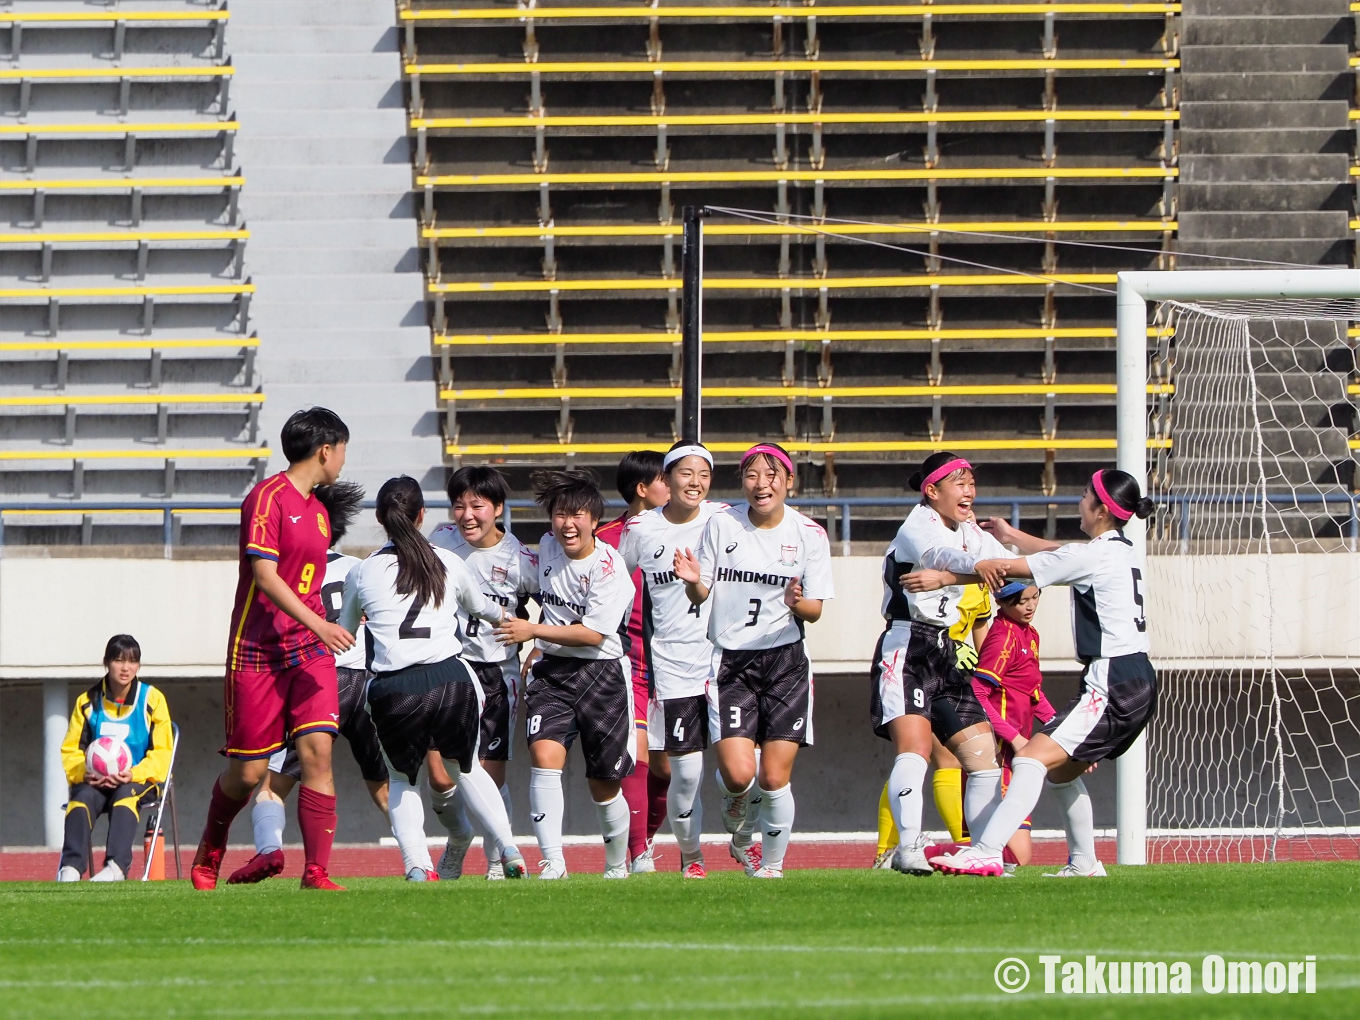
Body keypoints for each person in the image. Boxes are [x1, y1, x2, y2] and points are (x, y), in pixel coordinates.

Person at [922, 468, 1159, 877]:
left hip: (1113, 679)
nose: (1079, 501)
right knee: (1062, 774)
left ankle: (986, 850)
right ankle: (1085, 863)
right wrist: (1012, 535)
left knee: (1030, 757)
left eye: (1085, 495)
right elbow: (1060, 552)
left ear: (1101, 509)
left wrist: (946, 576)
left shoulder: (1089, 556)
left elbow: (1012, 569)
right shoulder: (1118, 548)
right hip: (1137, 678)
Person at [191, 407, 355, 892]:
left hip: (307, 649)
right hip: (258, 652)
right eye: (342, 449)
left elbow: (305, 585)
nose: (344, 459)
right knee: (248, 773)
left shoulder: (322, 514)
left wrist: (318, 630)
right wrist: (322, 624)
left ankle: (316, 872)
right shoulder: (266, 499)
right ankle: (211, 848)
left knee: (318, 753)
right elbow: (265, 578)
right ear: (326, 450)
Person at [339, 476, 526, 882]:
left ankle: (418, 867)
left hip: (394, 687)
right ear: (422, 515)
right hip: (451, 680)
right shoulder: (448, 560)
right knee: (469, 768)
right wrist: (511, 620)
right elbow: (483, 609)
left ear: (380, 518)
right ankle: (510, 849)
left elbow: (347, 630)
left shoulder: (364, 570)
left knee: (402, 779)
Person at [674, 442, 835, 879]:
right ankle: (736, 811)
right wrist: (692, 582)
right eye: (751, 475)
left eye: (771, 475)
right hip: (732, 664)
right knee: (740, 772)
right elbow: (701, 590)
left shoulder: (809, 534)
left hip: (786, 664)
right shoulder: (722, 524)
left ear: (788, 481)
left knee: (774, 776)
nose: (761, 485)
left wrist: (794, 603)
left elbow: (815, 610)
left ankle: (772, 866)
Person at [226, 480, 391, 884]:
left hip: (319, 680)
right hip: (365, 682)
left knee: (271, 785)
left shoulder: (294, 572)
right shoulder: (357, 567)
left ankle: (269, 850)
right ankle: (418, 858)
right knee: (386, 785)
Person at [867, 452, 1014, 876]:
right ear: (932, 491)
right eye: (959, 483)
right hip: (907, 644)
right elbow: (941, 556)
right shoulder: (919, 524)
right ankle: (907, 847)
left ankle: (983, 850)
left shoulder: (971, 531)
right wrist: (972, 570)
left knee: (984, 756)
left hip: (947, 651)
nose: (969, 491)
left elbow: (1003, 569)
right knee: (914, 749)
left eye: (971, 482)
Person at [494, 469, 638, 880]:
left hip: (602, 673)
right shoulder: (546, 546)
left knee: (604, 782)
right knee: (544, 757)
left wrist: (533, 631)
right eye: (560, 514)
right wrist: (540, 646)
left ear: (594, 521)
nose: (567, 524)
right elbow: (555, 609)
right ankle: (553, 862)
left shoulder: (609, 568)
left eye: (576, 515)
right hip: (553, 672)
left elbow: (592, 634)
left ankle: (615, 864)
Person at [618, 441, 727, 878]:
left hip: (728, 660)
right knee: (684, 777)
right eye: (685, 473)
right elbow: (617, 581)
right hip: (673, 665)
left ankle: (743, 835)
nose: (695, 482)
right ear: (666, 479)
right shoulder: (642, 529)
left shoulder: (726, 520)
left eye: (703, 473)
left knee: (745, 771)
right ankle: (693, 856)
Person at [430, 465, 539, 879]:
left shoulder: (520, 559)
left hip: (497, 675)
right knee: (442, 776)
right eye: (459, 506)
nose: (467, 515)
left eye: (477, 506)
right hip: (448, 669)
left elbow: (554, 606)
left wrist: (540, 647)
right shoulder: (439, 542)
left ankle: (497, 862)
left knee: (489, 774)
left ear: (497, 508)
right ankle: (458, 839)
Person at [873, 581, 990, 867]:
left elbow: (981, 633)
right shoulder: (936, 555)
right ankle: (898, 847)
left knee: (975, 757)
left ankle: (979, 848)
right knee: (926, 753)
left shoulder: (981, 585)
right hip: (918, 659)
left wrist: (981, 672)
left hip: (952, 670)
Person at [594, 450, 670, 872]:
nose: (675, 486)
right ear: (644, 489)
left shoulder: (689, 530)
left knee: (670, 767)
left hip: (679, 660)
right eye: (666, 479)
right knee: (637, 756)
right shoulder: (607, 539)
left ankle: (646, 839)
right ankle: (638, 854)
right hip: (630, 660)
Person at [57, 635, 173, 882]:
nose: (125, 668)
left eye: (132, 661)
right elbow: (71, 749)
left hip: (140, 780)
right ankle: (70, 868)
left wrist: (134, 774)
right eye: (119, 660)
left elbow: (163, 752)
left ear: (138, 666)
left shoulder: (152, 700)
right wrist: (84, 774)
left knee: (125, 797)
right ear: (107, 663)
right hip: (95, 780)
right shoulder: (87, 702)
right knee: (81, 799)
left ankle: (116, 868)